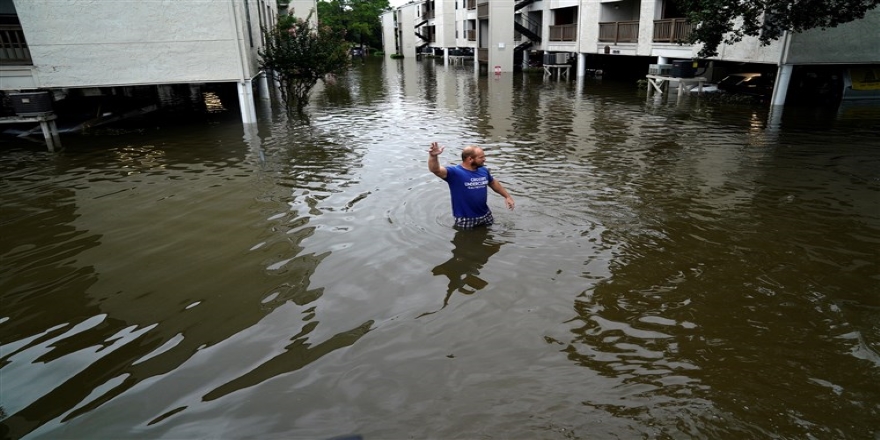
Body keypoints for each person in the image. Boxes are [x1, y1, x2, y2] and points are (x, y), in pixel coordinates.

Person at [428, 141, 515, 228]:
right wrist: (433, 156)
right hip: (466, 219)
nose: (485, 159)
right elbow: (436, 170)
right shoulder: (455, 172)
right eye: (481, 157)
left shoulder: (483, 170)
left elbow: (492, 182)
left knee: (488, 237)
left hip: (486, 215)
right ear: (470, 159)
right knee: (465, 241)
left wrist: (507, 196)